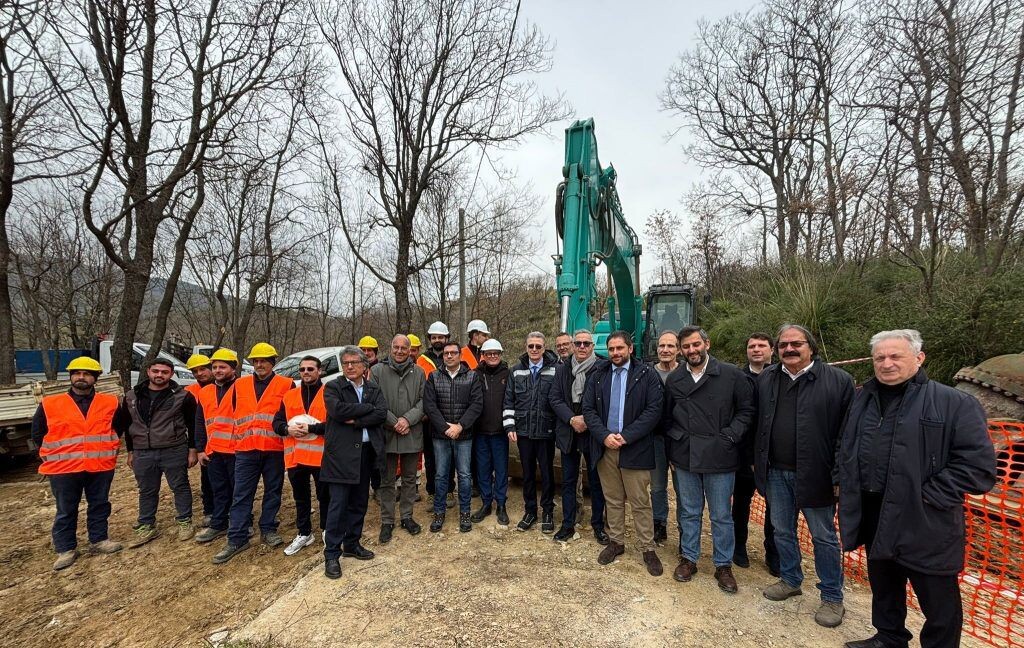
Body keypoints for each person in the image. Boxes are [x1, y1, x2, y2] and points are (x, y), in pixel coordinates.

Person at [839, 330, 996, 648]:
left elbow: (978, 467)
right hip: (874, 511)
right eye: (880, 357)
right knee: (884, 583)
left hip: (925, 518)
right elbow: (847, 445)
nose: (886, 363)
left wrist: (930, 496)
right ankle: (890, 637)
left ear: (919, 357)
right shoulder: (862, 399)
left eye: (895, 356)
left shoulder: (954, 403)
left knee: (937, 597)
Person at [754, 324, 854, 628]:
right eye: (783, 344)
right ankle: (790, 578)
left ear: (811, 347)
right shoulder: (767, 378)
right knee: (781, 529)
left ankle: (832, 597)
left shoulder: (838, 382)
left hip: (818, 475)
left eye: (796, 343)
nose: (789, 349)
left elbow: (847, 434)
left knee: (823, 536)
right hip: (775, 471)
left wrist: (838, 475)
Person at [664, 327, 755, 593]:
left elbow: (746, 411)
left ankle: (723, 565)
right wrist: (675, 442)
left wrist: (730, 436)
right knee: (689, 511)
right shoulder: (675, 379)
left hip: (720, 456)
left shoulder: (731, 375)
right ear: (681, 350)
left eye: (695, 345)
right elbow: (667, 416)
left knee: (721, 515)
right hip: (686, 456)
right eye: (686, 347)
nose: (691, 351)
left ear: (707, 344)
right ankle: (689, 558)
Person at [582, 331, 664, 576]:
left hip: (635, 447)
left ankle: (648, 548)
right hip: (605, 447)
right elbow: (588, 409)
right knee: (614, 499)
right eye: (611, 349)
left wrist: (626, 436)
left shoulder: (647, 375)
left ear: (630, 348)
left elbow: (653, 410)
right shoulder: (597, 374)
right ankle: (616, 542)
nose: (615, 353)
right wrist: (604, 435)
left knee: (640, 501)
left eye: (620, 348)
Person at [32, 357, 123, 570]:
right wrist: (51, 456)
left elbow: (118, 428)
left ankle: (99, 540)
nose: (81, 377)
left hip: (100, 465)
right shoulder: (50, 404)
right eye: (77, 373)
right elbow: (38, 433)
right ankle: (66, 549)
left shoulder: (109, 402)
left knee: (100, 504)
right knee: (66, 509)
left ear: (95, 378)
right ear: (71, 376)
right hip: (63, 468)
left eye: (87, 374)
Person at [214, 342, 293, 564]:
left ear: (272, 363)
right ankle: (237, 537)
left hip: (274, 449)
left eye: (264, 361)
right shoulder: (239, 384)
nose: (259, 364)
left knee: (273, 491)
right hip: (246, 449)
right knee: (241, 494)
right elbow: (232, 414)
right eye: (256, 361)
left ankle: (268, 528)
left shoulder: (286, 385)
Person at [116, 358, 199, 547]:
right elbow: (128, 425)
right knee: (147, 489)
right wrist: (130, 451)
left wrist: (192, 450)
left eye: (164, 372)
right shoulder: (132, 396)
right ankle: (146, 524)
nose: (159, 375)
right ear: (148, 372)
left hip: (174, 448)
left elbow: (192, 424)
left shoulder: (182, 396)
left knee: (180, 486)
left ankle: (185, 521)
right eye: (156, 371)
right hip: (143, 451)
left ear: (171, 374)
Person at [321, 346, 388, 579]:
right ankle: (331, 554)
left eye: (354, 363)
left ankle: (352, 544)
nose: (349, 366)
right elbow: (337, 411)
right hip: (340, 456)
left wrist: (358, 419)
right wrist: (366, 410)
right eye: (346, 363)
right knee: (338, 506)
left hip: (366, 452)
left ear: (364, 365)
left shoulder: (372, 388)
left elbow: (381, 413)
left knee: (359, 501)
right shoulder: (333, 387)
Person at [549, 329, 608, 544]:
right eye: (578, 343)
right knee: (568, 480)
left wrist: (587, 420)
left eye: (586, 343)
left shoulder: (602, 368)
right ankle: (567, 524)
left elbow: (606, 401)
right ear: (573, 346)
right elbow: (554, 398)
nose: (582, 347)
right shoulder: (563, 369)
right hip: (569, 431)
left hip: (592, 433)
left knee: (596, 481)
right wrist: (572, 419)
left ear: (593, 346)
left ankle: (598, 525)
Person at [273, 355, 330, 555]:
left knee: (325, 496)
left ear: (320, 371)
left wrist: (312, 427)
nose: (306, 372)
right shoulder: (289, 396)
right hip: (295, 456)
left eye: (310, 369)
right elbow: (277, 422)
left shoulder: (328, 393)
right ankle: (304, 532)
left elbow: (335, 424)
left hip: (321, 457)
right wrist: (286, 430)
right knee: (301, 497)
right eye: (303, 369)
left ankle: (326, 530)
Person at [424, 341, 483, 533]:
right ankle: (439, 512)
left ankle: (465, 513)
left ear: (460, 355)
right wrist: (444, 428)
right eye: (446, 353)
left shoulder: (472, 377)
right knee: (441, 475)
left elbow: (476, 404)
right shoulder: (433, 377)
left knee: (465, 475)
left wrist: (460, 426)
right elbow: (430, 405)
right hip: (440, 436)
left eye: (453, 353)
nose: (449, 356)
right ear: (443, 356)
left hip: (464, 435)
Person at [371, 335, 426, 542]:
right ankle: (387, 521)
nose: (400, 351)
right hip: (387, 434)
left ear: (410, 350)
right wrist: (395, 422)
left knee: (410, 479)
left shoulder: (419, 373)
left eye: (404, 348)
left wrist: (407, 420)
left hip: (411, 433)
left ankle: (407, 516)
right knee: (387, 481)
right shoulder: (377, 372)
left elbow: (423, 401)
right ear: (391, 348)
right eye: (396, 347)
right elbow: (375, 401)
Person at [504, 332, 559, 533]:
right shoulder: (516, 371)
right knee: (527, 474)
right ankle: (530, 511)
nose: (534, 350)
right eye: (531, 346)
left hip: (546, 432)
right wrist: (510, 426)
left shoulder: (556, 370)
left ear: (544, 348)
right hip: (524, 432)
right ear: (525, 347)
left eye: (538, 346)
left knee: (546, 473)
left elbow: (559, 401)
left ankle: (547, 512)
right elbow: (509, 400)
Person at [733, 333, 779, 574]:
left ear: (772, 349)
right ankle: (738, 546)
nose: (757, 350)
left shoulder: (782, 378)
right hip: (743, 456)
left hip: (775, 457)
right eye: (752, 346)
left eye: (762, 346)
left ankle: (773, 552)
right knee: (741, 504)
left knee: (776, 509)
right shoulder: (738, 378)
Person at [193, 348, 243, 545]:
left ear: (233, 368)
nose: (218, 370)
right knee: (219, 489)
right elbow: (199, 422)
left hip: (237, 449)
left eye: (223, 367)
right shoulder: (205, 392)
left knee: (239, 490)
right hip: (214, 450)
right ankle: (219, 522)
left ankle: (243, 523)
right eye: (214, 367)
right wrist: (200, 449)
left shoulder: (242, 388)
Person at [471, 338, 511, 526]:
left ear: (500, 354)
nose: (493, 356)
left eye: (496, 353)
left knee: (501, 470)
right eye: (489, 353)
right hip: (480, 432)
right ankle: (486, 503)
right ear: (483, 356)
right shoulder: (475, 375)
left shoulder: (508, 373)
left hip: (500, 432)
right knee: (483, 470)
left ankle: (501, 504)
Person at [650, 330, 679, 545]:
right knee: (658, 485)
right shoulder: (649, 373)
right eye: (662, 346)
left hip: (680, 441)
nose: (665, 350)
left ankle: (684, 528)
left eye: (670, 346)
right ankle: (659, 523)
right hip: (656, 438)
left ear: (678, 349)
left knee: (683, 488)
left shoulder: (685, 374)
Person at [422, 321, 453, 504]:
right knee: (431, 457)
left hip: (450, 416)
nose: (437, 340)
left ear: (446, 338)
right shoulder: (421, 360)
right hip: (429, 417)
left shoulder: (454, 356)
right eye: (434, 338)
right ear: (430, 339)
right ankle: (432, 491)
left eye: (440, 337)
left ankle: (449, 490)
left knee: (449, 457)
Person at [185, 354, 216, 527]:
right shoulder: (189, 392)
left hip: (227, 443)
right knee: (207, 480)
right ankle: (209, 511)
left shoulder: (228, 387)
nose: (199, 373)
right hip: (204, 443)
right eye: (195, 371)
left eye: (203, 369)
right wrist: (195, 448)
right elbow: (190, 424)